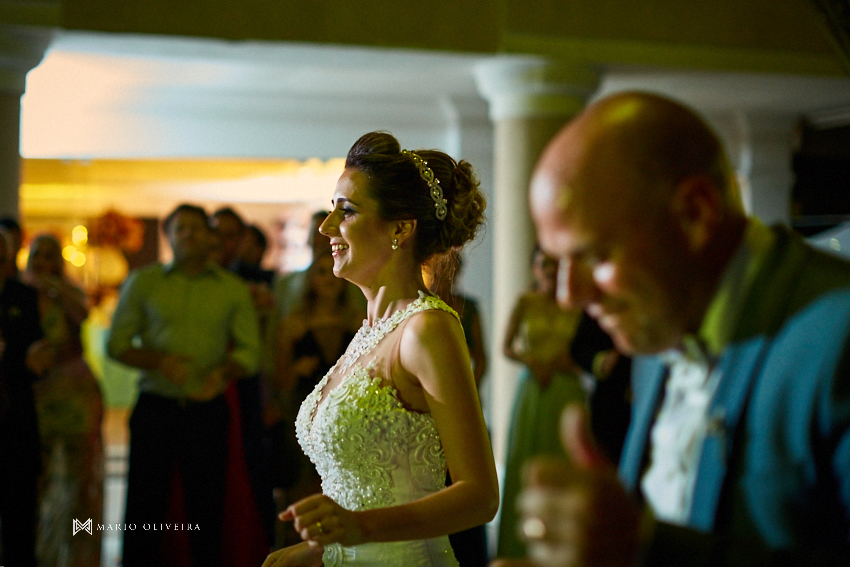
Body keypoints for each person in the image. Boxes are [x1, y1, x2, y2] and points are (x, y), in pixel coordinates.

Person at [496, 91, 850, 567]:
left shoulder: (837, 335)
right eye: (558, 263)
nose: (568, 296)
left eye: (596, 256)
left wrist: (645, 549)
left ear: (696, 214)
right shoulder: (657, 329)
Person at [262, 131, 498, 567]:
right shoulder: (368, 331)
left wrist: (359, 528)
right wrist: (313, 553)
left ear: (400, 228)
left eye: (346, 211)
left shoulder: (427, 328)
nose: (326, 227)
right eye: (331, 210)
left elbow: (480, 498)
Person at [108, 203, 261, 567]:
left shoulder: (231, 288)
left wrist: (222, 374)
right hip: (156, 406)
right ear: (169, 237)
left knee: (206, 507)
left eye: (196, 227)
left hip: (207, 409)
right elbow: (115, 344)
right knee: (145, 505)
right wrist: (158, 361)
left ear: (210, 237)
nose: (189, 234)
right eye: (180, 228)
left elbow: (250, 352)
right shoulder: (144, 282)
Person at [496, 246, 585, 560]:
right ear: (534, 268)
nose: (549, 270)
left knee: (565, 459)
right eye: (543, 264)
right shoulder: (525, 301)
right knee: (527, 460)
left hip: (566, 389)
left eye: (554, 264)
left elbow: (589, 353)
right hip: (534, 387)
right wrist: (531, 360)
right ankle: (519, 547)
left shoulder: (574, 304)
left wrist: (568, 361)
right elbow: (505, 347)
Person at [272, 251, 364, 547]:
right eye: (320, 272)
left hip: (346, 413)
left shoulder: (357, 322)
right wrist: (296, 368)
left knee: (343, 484)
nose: (327, 279)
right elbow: (280, 378)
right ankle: (300, 547)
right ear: (311, 280)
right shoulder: (294, 322)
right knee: (302, 485)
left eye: (331, 272)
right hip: (303, 411)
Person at [24, 234, 104, 567]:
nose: (43, 263)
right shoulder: (18, 293)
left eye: (50, 256)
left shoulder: (69, 292)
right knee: (36, 479)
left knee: (78, 482)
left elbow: (81, 315)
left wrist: (54, 288)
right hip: (36, 398)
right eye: (37, 255)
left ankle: (76, 555)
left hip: (75, 396)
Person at [0, 227, 47, 567]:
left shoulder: (23, 296)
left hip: (15, 416)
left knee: (19, 514)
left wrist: (25, 360)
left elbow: (37, 356)